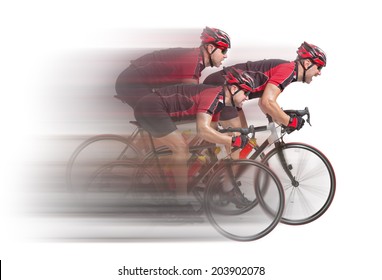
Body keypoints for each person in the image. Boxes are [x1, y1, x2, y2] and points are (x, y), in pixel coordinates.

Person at [133, 67, 257, 208]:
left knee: (200, 147)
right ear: (234, 89)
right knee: (181, 149)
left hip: (157, 107)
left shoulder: (220, 101)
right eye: (245, 92)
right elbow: (203, 130)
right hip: (151, 108)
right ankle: (179, 200)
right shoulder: (214, 97)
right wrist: (231, 140)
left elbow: (212, 130)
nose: (247, 97)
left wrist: (229, 138)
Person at [203, 41, 327, 132]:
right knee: (238, 143)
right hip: (222, 87)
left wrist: (282, 119)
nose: (319, 72)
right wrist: (290, 121)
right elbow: (267, 102)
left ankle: (207, 155)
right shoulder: (288, 70)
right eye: (319, 67)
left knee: (246, 137)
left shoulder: (289, 72)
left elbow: (263, 103)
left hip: (229, 91)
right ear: (307, 63)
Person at [115, 27, 231, 108]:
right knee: (158, 116)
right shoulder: (192, 59)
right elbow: (193, 93)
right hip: (131, 83)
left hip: (136, 81)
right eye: (224, 50)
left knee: (167, 115)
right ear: (211, 48)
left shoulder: (196, 61)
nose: (225, 55)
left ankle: (148, 141)